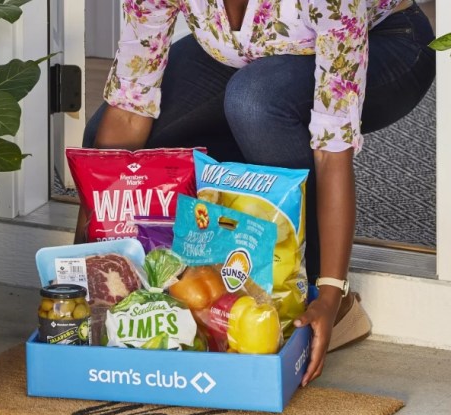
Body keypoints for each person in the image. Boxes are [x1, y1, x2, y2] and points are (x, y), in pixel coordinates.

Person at [81, 0, 435, 386]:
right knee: (103, 139)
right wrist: (88, 264)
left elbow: (331, 156)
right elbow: (130, 110)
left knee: (254, 103)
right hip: (247, 54)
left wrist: (331, 295)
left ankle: (315, 296)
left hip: (387, 43)